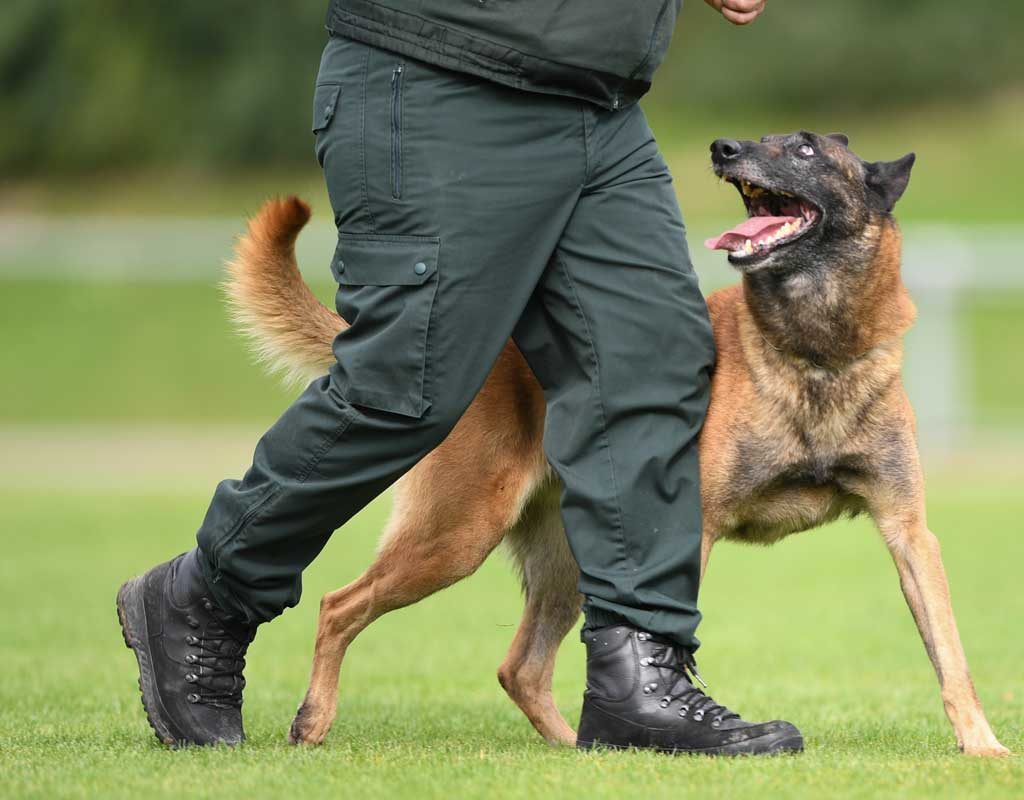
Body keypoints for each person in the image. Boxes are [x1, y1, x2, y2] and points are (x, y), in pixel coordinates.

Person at [117, 0, 803, 755]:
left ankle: (639, 676)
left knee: (654, 361)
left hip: (597, 100)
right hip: (439, 70)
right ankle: (209, 594)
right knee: (406, 384)